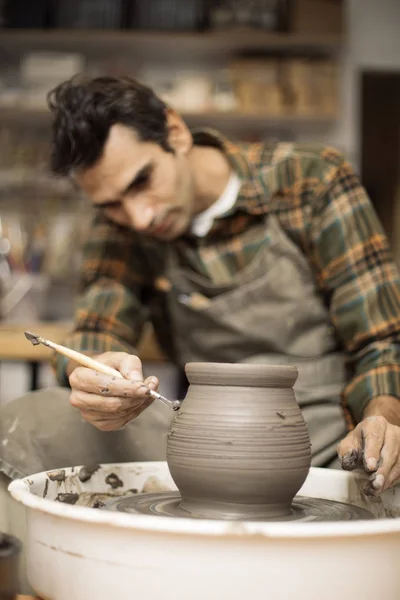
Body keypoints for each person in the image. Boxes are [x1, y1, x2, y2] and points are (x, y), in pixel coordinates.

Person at [1, 75, 400, 496]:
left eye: (141, 181)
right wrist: (96, 375)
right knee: (27, 421)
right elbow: (95, 333)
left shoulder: (310, 179)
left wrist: (383, 416)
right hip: (205, 440)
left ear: (175, 132)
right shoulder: (120, 226)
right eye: (111, 204)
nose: (138, 217)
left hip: (322, 440)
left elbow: (382, 340)